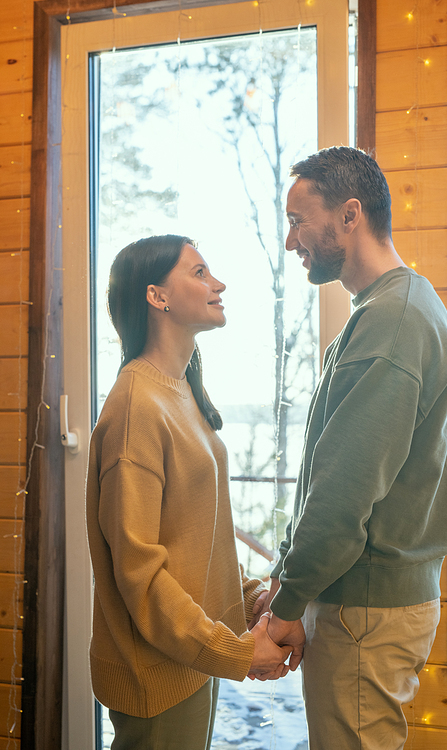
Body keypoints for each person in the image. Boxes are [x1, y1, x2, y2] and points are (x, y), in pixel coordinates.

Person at [257, 147, 447, 750]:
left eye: (299, 219)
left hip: (364, 607)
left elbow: (344, 493)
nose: (292, 240)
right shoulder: (387, 310)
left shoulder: (392, 321)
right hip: (365, 601)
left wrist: (289, 603)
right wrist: (287, 581)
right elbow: (332, 470)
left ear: (350, 215)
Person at [85, 234, 292, 750]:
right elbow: (141, 575)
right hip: (155, 674)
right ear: (157, 297)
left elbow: (198, 536)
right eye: (199, 273)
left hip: (188, 659)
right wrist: (238, 653)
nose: (217, 284)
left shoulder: (179, 392)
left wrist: (246, 598)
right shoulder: (137, 406)